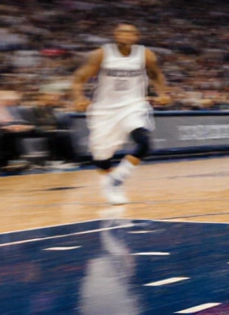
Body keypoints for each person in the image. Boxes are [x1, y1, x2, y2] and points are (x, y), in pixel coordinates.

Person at [72, 24, 170, 205]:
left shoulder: (145, 54)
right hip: (105, 108)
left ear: (136, 36)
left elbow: (156, 74)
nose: (125, 35)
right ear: (115, 35)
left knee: (144, 143)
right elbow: (80, 77)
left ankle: (117, 179)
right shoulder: (101, 54)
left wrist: (163, 93)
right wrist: (79, 97)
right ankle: (109, 182)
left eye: (130, 32)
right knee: (101, 156)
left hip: (133, 105)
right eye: (121, 32)